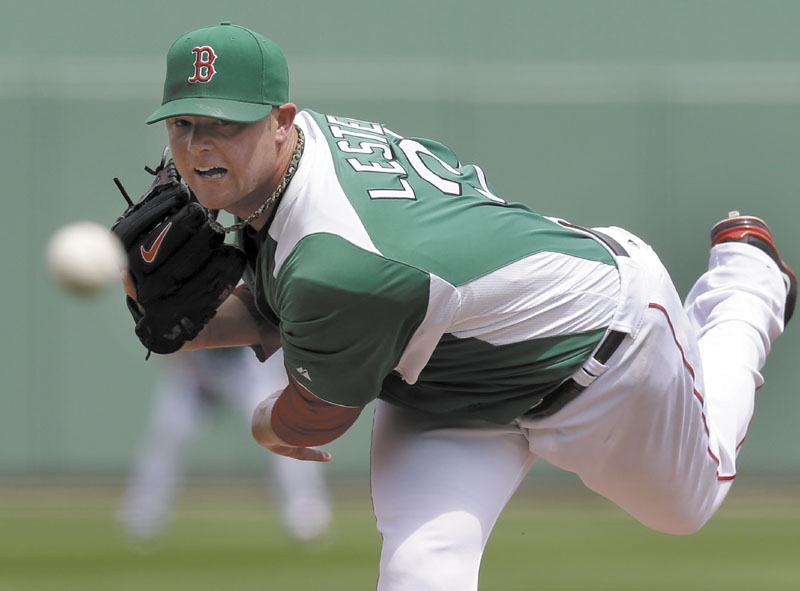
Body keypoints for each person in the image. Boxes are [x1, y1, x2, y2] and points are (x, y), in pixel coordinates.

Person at [126, 21, 796, 589]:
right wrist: (159, 312)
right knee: (422, 568)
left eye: (225, 124)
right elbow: (284, 305)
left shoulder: (338, 260)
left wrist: (263, 422)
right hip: (447, 388)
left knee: (687, 504)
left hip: (599, 353)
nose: (198, 147)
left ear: (280, 122)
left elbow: (313, 418)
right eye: (184, 123)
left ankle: (749, 285)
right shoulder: (306, 159)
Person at [119, 347, 332, 544]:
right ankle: (145, 509)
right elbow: (165, 337)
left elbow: (281, 325)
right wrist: (188, 370)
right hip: (197, 365)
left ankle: (305, 506)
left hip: (248, 365)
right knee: (167, 435)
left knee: (284, 431)